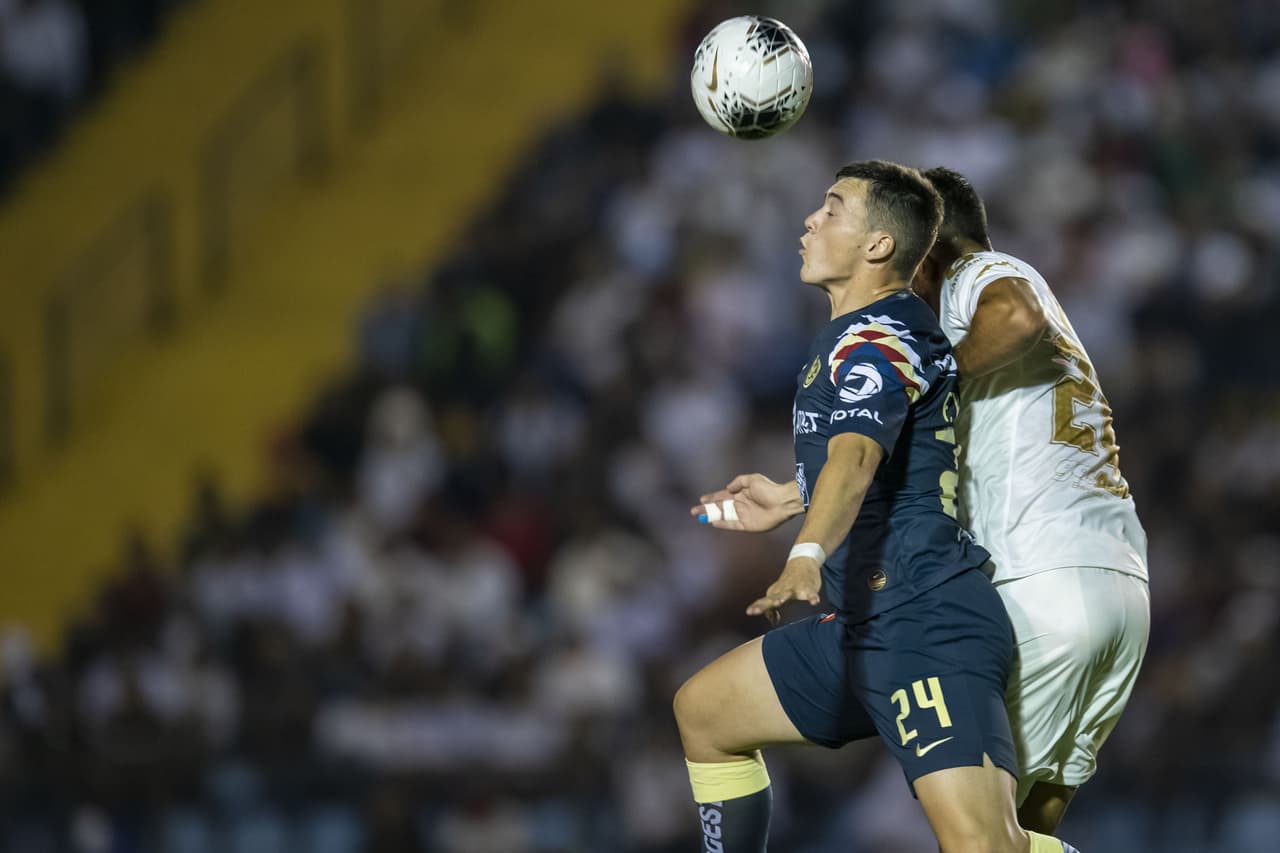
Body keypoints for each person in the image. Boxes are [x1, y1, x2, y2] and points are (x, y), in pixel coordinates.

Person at [675, 160, 1078, 853]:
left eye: (831, 209)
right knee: (705, 713)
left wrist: (806, 551)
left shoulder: (878, 338)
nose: (809, 219)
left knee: (984, 846)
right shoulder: (864, 335)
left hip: (925, 618)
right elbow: (884, 455)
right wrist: (788, 496)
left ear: (879, 246)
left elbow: (858, 457)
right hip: (863, 625)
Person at [908, 166, 1150, 833]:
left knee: (978, 837)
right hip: (1119, 586)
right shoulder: (1036, 340)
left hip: (1044, 578)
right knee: (1029, 834)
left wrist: (931, 386)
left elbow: (1016, 315)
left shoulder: (978, 276)